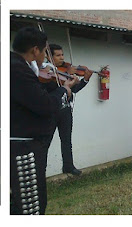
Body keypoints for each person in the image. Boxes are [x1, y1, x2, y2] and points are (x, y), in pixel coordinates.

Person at [10, 27, 78, 214]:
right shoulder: (16, 69)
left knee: (27, 201)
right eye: (45, 52)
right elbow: (45, 104)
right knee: (30, 205)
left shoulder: (20, 67)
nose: (45, 58)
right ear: (35, 51)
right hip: (23, 147)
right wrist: (64, 90)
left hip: (27, 145)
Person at [41, 44, 93, 176]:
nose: (62, 58)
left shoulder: (65, 70)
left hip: (65, 110)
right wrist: (65, 76)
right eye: (58, 55)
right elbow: (50, 87)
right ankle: (41, 170)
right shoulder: (45, 70)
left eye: (62, 55)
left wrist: (85, 79)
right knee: (45, 142)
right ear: (49, 56)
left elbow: (73, 89)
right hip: (51, 112)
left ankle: (68, 166)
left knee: (66, 139)